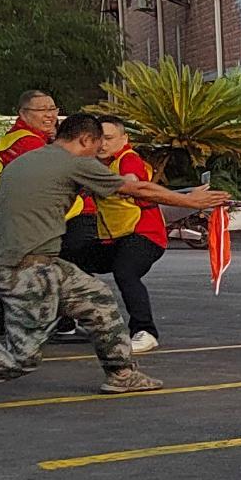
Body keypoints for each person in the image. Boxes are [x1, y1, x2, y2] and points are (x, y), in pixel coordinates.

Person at [0, 115, 227, 417]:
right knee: (21, 356)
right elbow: (136, 190)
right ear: (85, 140)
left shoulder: (21, 165)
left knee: (97, 299)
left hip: (33, 262)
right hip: (28, 268)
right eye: (97, 147)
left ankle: (121, 373)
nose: (98, 156)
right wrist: (189, 201)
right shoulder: (73, 162)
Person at [72, 117, 172, 354]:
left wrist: (112, 184)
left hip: (145, 234)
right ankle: (83, 319)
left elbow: (131, 180)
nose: (103, 144)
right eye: (99, 139)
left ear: (124, 139)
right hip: (113, 238)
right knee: (71, 260)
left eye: (109, 138)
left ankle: (146, 331)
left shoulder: (128, 158)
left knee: (125, 272)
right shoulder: (93, 165)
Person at [0, 89, 61, 165]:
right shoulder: (29, 142)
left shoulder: (16, 133)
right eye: (42, 109)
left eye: (52, 109)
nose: (49, 115)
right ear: (23, 113)